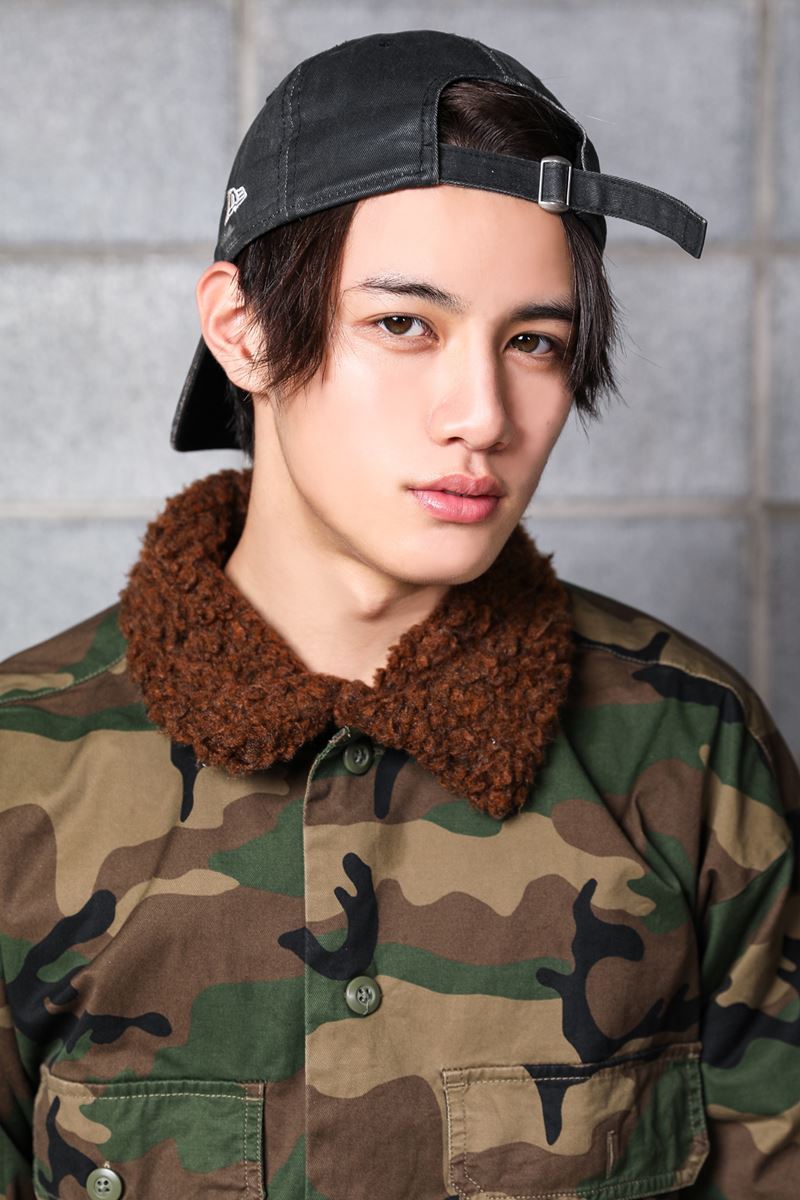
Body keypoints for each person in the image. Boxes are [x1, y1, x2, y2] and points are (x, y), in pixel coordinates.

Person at [0, 28, 797, 1200]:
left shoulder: (692, 751)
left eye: (533, 342)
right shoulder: (20, 770)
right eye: (404, 324)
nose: (482, 414)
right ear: (243, 329)